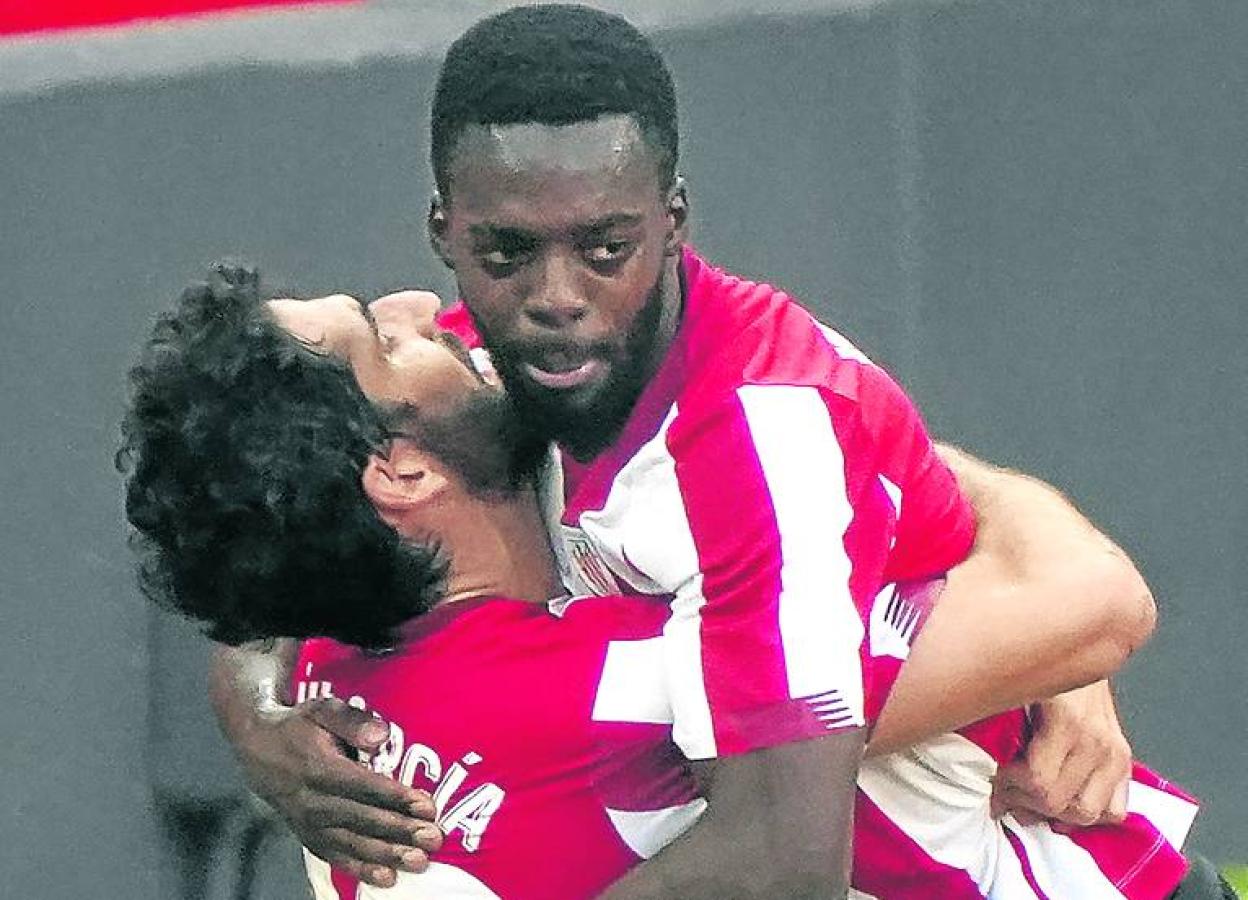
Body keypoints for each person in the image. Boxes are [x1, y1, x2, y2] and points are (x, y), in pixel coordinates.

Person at [206, 5, 1166, 896]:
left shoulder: (762, 436)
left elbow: (784, 857)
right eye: (506, 253)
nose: (556, 296)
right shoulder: (475, 375)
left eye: (606, 248)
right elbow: (292, 493)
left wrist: (1062, 661)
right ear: (445, 232)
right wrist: (256, 708)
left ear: (673, 223)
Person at [120, 265, 1212, 899]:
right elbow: (1088, 602)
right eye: (380, 335)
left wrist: (251, 703)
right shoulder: (612, 698)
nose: (420, 304)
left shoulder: (327, 679)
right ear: (399, 472)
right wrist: (1049, 655)